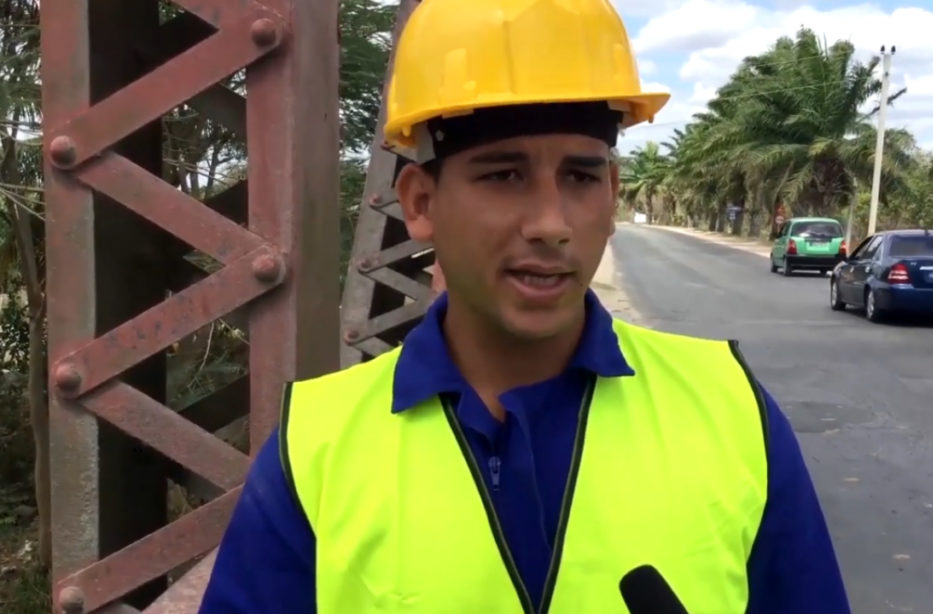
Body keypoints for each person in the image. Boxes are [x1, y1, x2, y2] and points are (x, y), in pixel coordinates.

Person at [198, 0, 851, 612]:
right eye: (503, 175)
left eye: (581, 176)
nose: (550, 223)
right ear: (421, 202)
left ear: (613, 191)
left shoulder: (729, 413)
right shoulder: (320, 449)